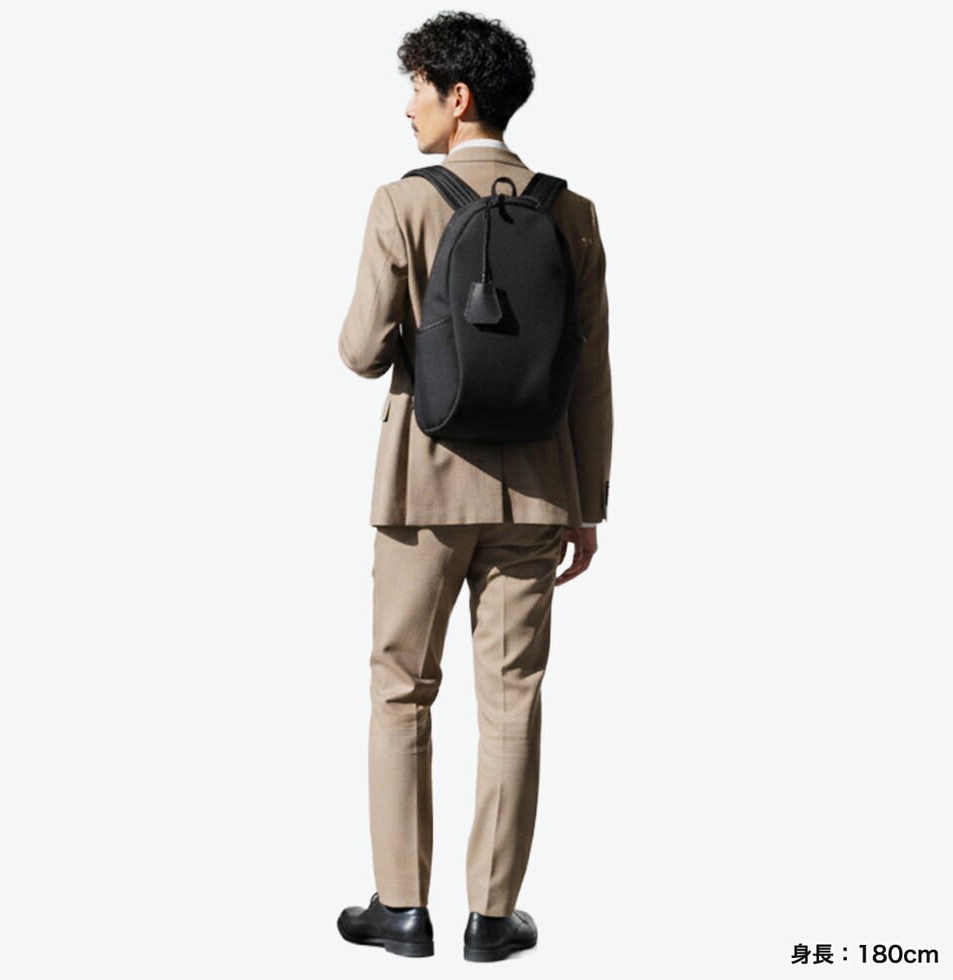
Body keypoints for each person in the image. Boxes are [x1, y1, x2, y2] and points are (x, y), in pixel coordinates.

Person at [336, 11, 613, 963]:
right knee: (512, 700)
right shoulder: (572, 213)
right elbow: (590, 375)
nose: (406, 106)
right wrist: (587, 505)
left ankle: (401, 907)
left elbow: (361, 352)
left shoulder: (401, 202)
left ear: (458, 99)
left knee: (401, 691)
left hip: (422, 493)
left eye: (416, 87)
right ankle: (493, 919)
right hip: (538, 495)